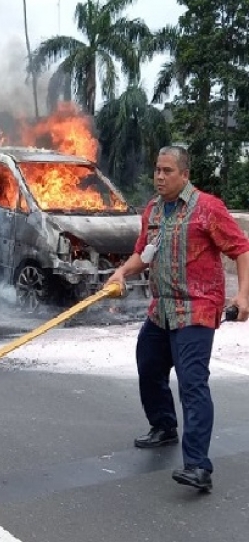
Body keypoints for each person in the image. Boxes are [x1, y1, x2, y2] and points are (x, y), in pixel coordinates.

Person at [106, 145, 249, 492]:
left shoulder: (208, 209)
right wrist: (122, 272)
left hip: (197, 308)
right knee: (149, 366)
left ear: (185, 174)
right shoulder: (153, 210)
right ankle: (164, 426)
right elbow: (144, 252)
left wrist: (243, 294)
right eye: (157, 169)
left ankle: (199, 467)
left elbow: (241, 248)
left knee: (192, 384)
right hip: (162, 308)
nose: (159, 176)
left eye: (167, 170)